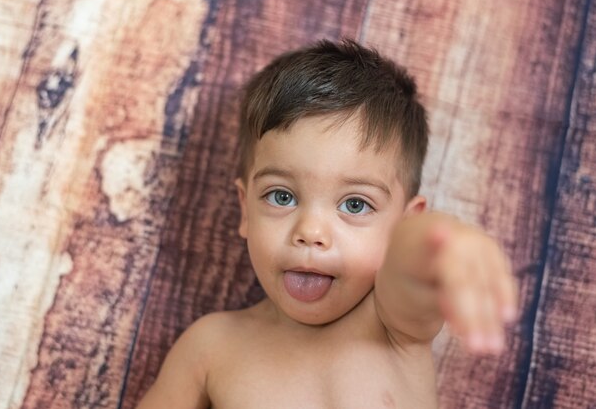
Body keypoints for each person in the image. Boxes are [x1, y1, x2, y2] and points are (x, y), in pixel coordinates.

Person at [137, 39, 517, 408]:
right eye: (282, 196)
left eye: (355, 204)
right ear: (245, 210)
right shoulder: (211, 346)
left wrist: (441, 245)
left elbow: (411, 265)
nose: (311, 233)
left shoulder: (392, 326)